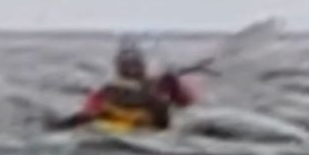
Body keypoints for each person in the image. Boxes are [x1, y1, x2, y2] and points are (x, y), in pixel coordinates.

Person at [48, 36, 198, 131]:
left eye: (135, 63)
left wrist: (174, 85)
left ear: (142, 65)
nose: (131, 69)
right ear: (118, 67)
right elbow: (88, 114)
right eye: (126, 64)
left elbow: (186, 105)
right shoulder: (106, 92)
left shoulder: (161, 83)